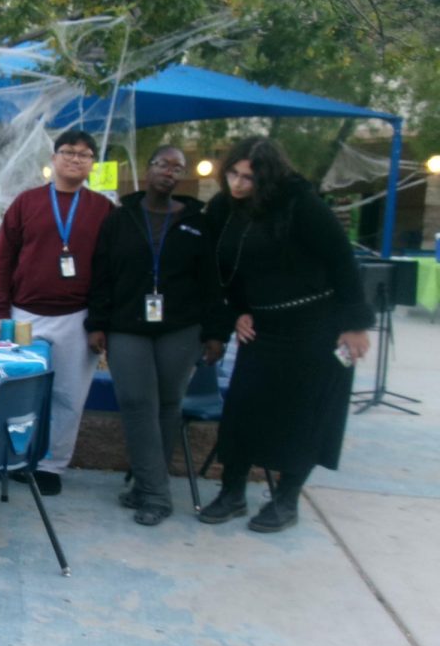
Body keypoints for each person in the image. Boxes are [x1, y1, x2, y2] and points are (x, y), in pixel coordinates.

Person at [202, 137, 372, 532]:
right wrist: (237, 311)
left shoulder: (301, 205)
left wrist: (354, 324)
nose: (239, 184)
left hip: (317, 327)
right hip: (263, 327)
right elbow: (224, 270)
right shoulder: (223, 209)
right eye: (234, 174)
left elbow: (342, 261)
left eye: (250, 177)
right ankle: (232, 493)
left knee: (304, 417)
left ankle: (286, 500)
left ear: (269, 177)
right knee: (244, 410)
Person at [86, 146, 229, 525]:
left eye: (177, 167)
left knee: (167, 405)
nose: (169, 171)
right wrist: (96, 323)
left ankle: (147, 486)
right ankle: (155, 494)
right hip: (127, 325)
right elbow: (102, 275)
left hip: (181, 328)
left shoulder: (198, 222)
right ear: (147, 169)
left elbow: (211, 281)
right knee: (136, 402)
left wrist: (216, 332)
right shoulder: (120, 219)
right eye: (162, 163)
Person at [0, 129, 115, 494]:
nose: (76, 159)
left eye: (85, 154)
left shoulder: (103, 209)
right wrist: (1, 315)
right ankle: (15, 456)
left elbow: (109, 270)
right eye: (68, 152)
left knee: (67, 397)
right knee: (18, 394)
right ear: (54, 158)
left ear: (93, 164)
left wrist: (99, 322)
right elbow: (2, 260)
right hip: (23, 314)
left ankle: (51, 467)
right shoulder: (26, 203)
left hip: (77, 318)